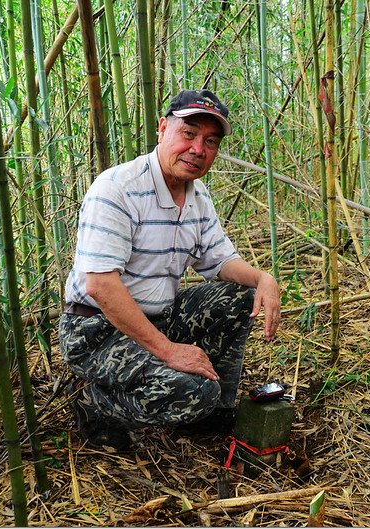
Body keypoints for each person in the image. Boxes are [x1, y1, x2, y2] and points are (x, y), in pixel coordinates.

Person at [59, 89, 281, 450]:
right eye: (188, 133)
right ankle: (95, 403)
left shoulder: (198, 196)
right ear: (162, 129)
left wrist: (263, 278)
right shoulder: (117, 189)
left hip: (157, 316)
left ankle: (215, 411)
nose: (198, 149)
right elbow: (100, 285)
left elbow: (221, 261)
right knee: (194, 392)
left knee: (239, 297)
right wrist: (168, 350)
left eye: (210, 141)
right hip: (95, 329)